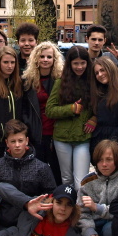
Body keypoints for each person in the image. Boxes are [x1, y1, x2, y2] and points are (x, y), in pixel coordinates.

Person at [46, 45, 94, 189]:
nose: (79, 67)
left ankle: (80, 203)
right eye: (75, 63)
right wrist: (71, 109)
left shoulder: (92, 82)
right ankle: (68, 203)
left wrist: (94, 118)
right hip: (62, 138)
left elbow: (99, 105)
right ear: (70, 64)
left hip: (82, 138)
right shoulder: (60, 82)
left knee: (80, 182)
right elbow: (50, 110)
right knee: (66, 179)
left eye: (82, 63)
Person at [0, 120, 56, 227]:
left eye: (20, 140)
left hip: (32, 219)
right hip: (5, 220)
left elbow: (51, 194)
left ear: (27, 141)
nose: (17, 145)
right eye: (13, 141)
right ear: (7, 143)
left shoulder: (41, 167)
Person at [22, 41, 64, 179]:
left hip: (56, 131)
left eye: (49, 57)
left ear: (54, 59)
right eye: (42, 56)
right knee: (38, 170)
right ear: (36, 59)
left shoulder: (60, 80)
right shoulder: (28, 81)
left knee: (57, 171)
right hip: (36, 131)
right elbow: (24, 107)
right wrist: (28, 125)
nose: (45, 60)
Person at [88, 56, 118, 154]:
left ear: (110, 68)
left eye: (102, 70)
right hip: (99, 138)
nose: (100, 74)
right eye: (96, 73)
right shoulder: (98, 90)